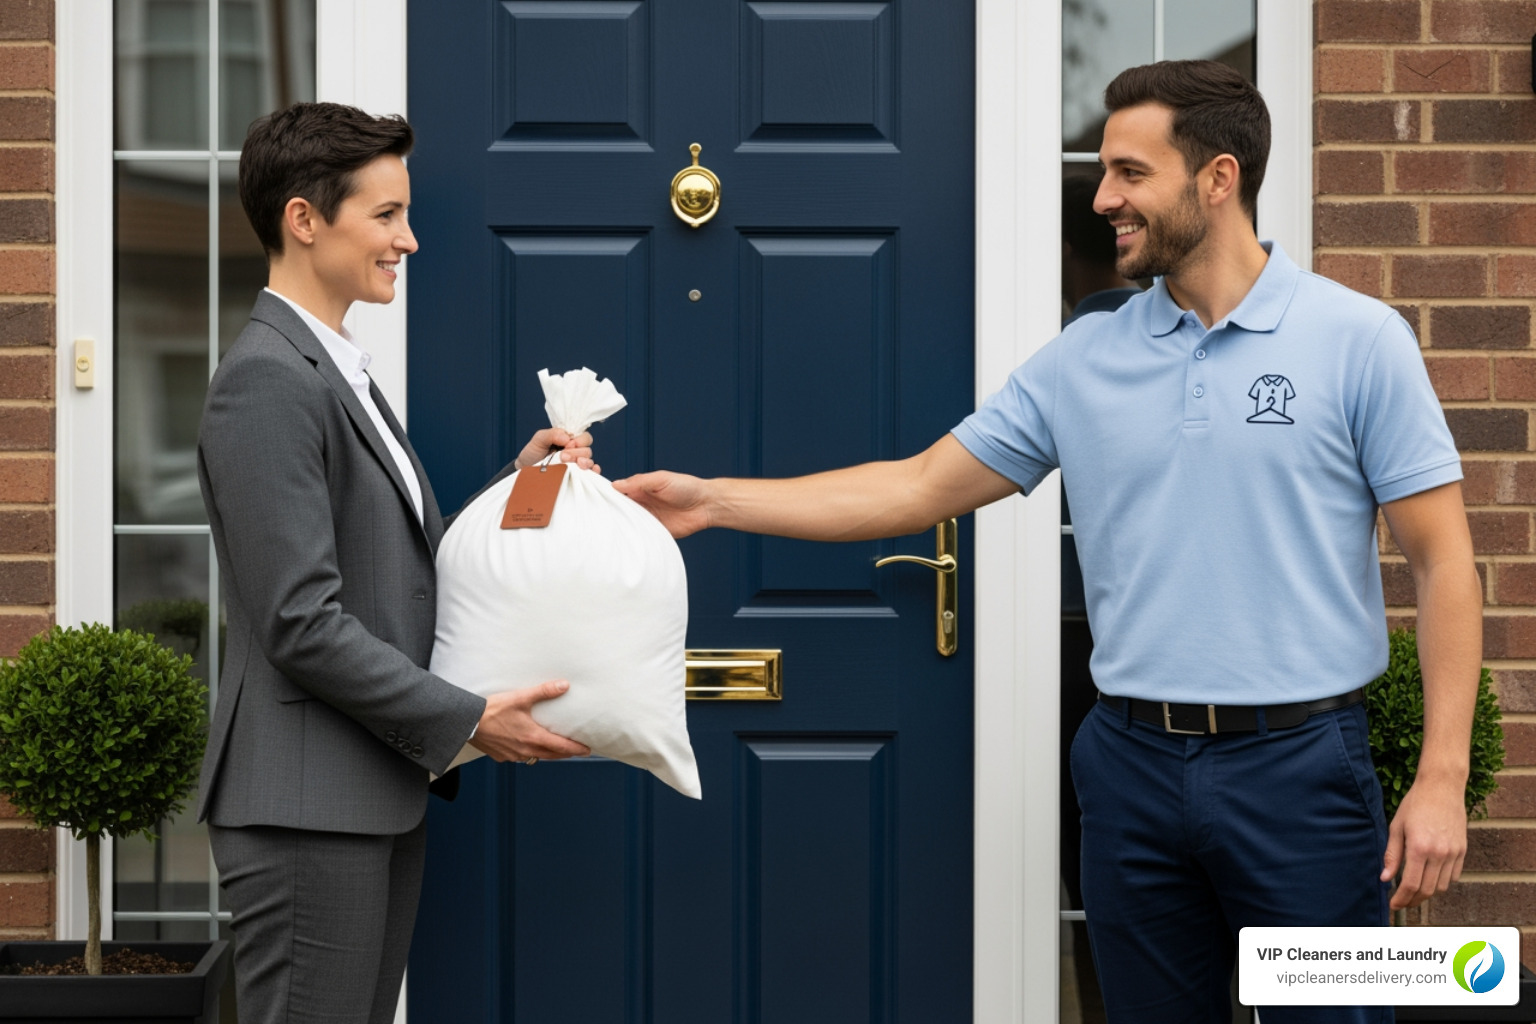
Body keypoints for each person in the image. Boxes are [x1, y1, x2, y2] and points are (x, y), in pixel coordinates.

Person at [616, 61, 1480, 1024]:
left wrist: (1440, 777)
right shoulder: (1087, 355)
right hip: (1132, 768)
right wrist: (712, 502)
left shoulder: (1359, 341)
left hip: (1302, 771)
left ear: (1219, 179)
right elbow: (917, 485)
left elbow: (1442, 560)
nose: (1103, 196)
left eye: (1129, 173)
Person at [196, 102, 592, 1024]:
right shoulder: (267, 379)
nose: (408, 241)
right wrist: (466, 719)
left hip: (367, 793)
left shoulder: (339, 368)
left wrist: (521, 484)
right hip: (303, 809)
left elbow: (403, 561)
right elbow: (301, 619)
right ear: (304, 219)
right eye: (386, 216)